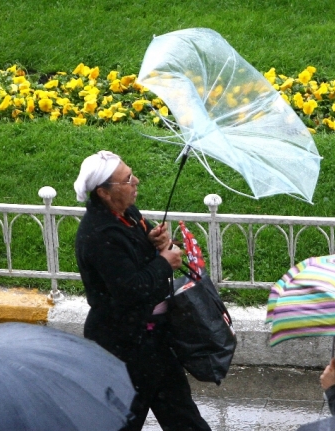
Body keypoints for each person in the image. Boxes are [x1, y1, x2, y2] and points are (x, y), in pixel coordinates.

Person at [74, 150, 211, 431]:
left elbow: (133, 258)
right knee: (122, 422)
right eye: (127, 180)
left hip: (152, 340)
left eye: (131, 174)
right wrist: (164, 263)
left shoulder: (128, 216)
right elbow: (130, 289)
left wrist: (151, 241)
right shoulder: (100, 235)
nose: (136, 181)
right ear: (104, 193)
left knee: (184, 419)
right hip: (122, 348)